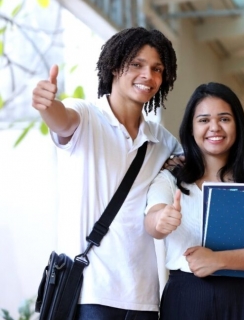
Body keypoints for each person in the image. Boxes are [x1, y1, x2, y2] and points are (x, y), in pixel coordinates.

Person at [31, 27, 180, 319]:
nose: (148, 75)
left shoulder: (163, 141)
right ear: (114, 66)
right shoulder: (86, 116)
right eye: (137, 64)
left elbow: (197, 166)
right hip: (90, 294)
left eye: (157, 69)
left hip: (144, 299)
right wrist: (47, 105)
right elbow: (62, 121)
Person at [144, 82, 244, 320]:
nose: (214, 127)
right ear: (191, 128)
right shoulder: (171, 179)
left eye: (224, 119)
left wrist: (218, 260)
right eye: (203, 120)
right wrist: (161, 219)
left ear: (237, 125)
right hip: (186, 300)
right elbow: (152, 219)